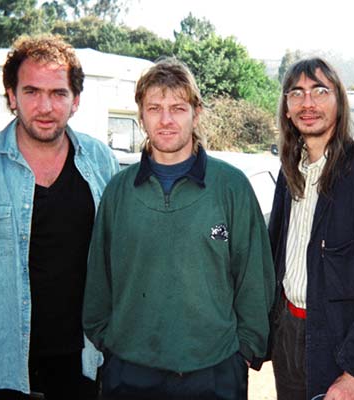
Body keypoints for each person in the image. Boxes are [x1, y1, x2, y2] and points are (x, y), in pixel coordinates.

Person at [0, 34, 119, 399]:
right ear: (12, 97)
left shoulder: (100, 162)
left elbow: (119, 253)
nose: (45, 107)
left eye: (58, 93)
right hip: (1, 360)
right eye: (32, 92)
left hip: (83, 359)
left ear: (75, 101)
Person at [82, 57, 275, 400]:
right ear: (140, 116)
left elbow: (255, 278)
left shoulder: (232, 187)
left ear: (196, 113)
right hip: (129, 371)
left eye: (178, 107)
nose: (166, 119)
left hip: (214, 372)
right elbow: (99, 277)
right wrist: (107, 341)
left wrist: (244, 351)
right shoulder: (118, 192)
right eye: (154, 108)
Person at [268, 57, 354, 400]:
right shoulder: (289, 173)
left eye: (319, 91)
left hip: (339, 343)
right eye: (296, 93)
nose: (307, 103)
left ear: (339, 103)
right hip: (289, 335)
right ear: (286, 108)